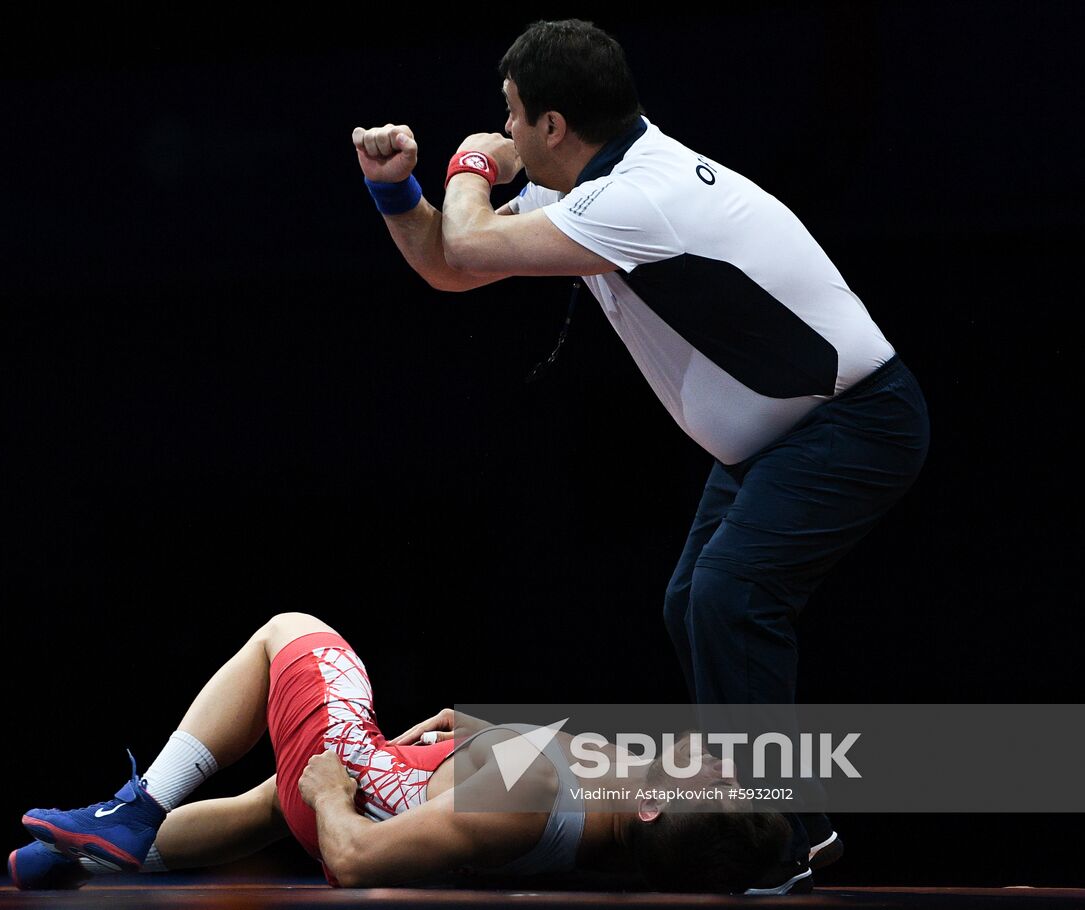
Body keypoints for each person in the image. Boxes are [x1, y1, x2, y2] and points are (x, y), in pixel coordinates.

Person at [352, 18, 930, 892]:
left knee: (730, 598)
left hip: (858, 422)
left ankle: (788, 833)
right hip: (777, 440)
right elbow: (449, 267)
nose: (503, 129)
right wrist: (393, 191)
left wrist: (470, 165)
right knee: (691, 600)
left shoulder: (635, 198)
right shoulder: (589, 193)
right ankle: (756, 822)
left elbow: (467, 239)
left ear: (552, 127)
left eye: (509, 115)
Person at [9, 612, 790, 893]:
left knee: (292, 633)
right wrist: (483, 729)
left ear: (654, 807)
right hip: (404, 777)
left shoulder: (529, 804)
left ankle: (134, 808)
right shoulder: (625, 805)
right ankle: (81, 858)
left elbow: (353, 861)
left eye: (711, 776)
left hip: (366, 797)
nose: (713, 759)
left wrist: (328, 797)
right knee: (263, 803)